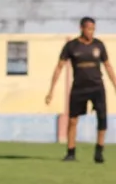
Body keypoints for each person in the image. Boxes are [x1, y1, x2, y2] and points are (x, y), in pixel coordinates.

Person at [45, 17, 116, 163]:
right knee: (73, 120)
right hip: (79, 88)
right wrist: (51, 90)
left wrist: (115, 85)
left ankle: (99, 152)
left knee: (102, 119)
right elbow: (59, 67)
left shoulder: (99, 45)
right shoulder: (71, 46)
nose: (91, 32)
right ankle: (71, 152)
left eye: (93, 29)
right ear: (82, 28)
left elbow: (108, 66)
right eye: (89, 29)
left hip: (97, 87)